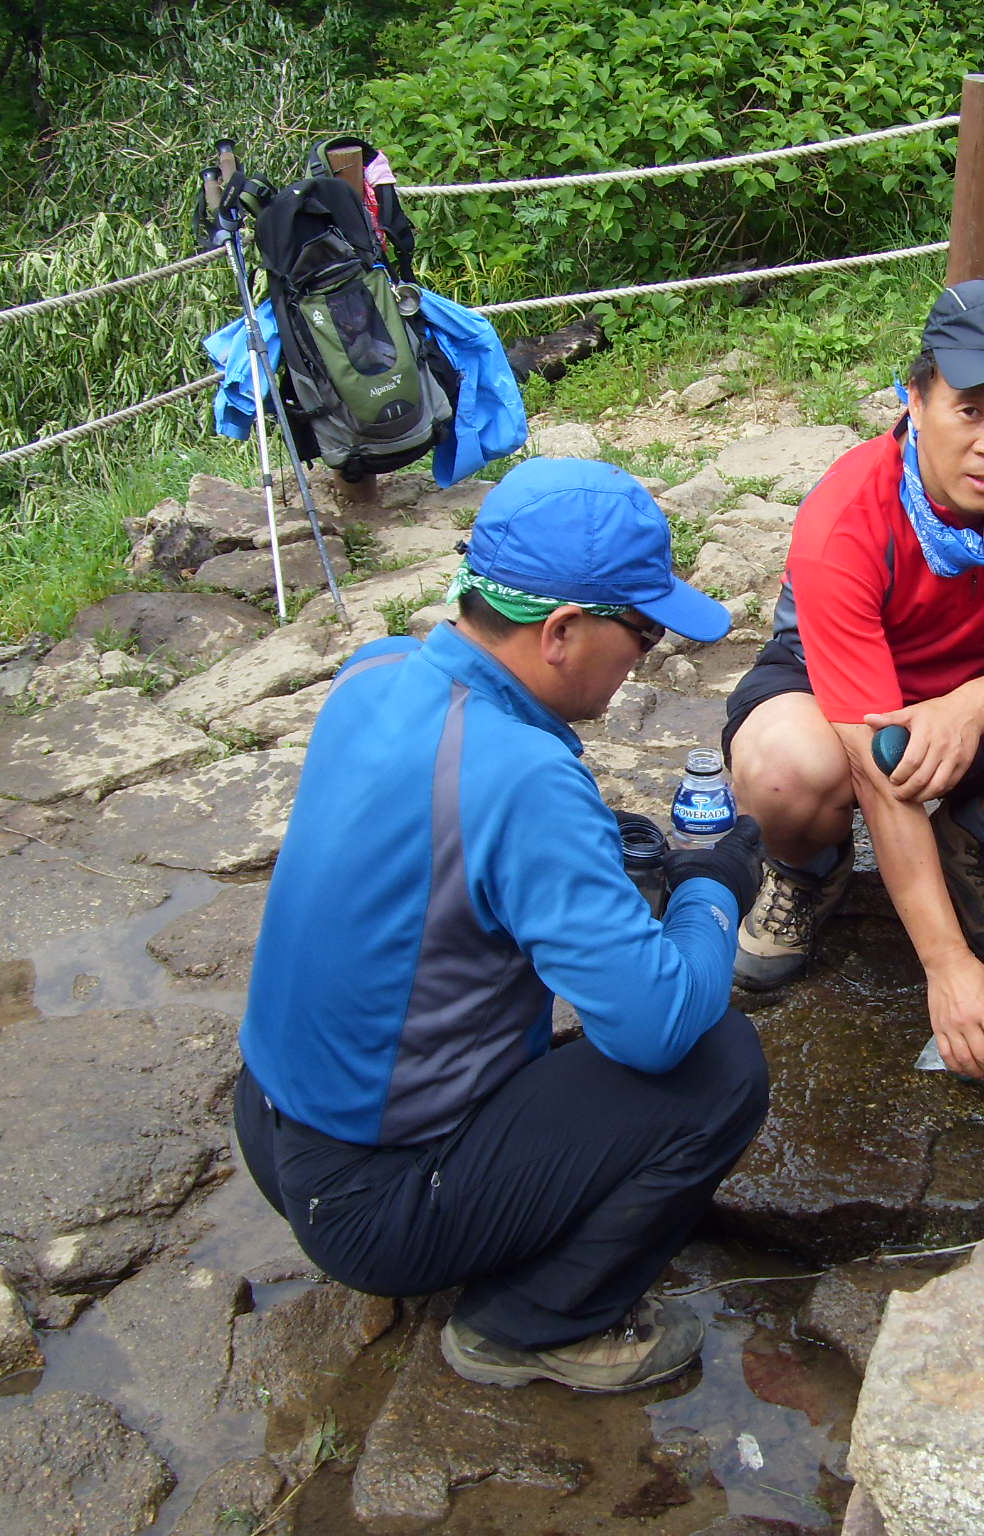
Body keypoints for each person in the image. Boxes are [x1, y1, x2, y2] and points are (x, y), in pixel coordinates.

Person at [233, 456, 769, 1394]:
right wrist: (712, 888)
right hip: (374, 1205)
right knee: (720, 1064)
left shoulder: (378, 672)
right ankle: (528, 1326)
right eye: (641, 631)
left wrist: (614, 855)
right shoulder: (522, 775)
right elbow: (656, 1026)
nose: (649, 655)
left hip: (275, 1131)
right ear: (562, 630)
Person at [723, 279, 984, 1081]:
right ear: (914, 399)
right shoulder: (846, 517)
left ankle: (975, 836)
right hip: (840, 695)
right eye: (970, 410)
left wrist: (968, 707)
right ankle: (806, 871)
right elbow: (876, 771)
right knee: (789, 770)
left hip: (983, 673)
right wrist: (948, 968)